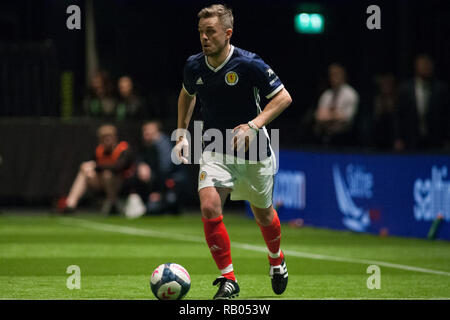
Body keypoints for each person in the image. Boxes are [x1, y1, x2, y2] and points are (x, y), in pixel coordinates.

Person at [173, 4, 292, 299]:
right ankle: (228, 278)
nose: (204, 37)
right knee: (210, 206)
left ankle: (276, 259)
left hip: (253, 148)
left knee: (263, 215)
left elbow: (283, 98)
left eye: (210, 31)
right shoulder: (194, 66)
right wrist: (181, 134)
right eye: (201, 32)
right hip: (214, 145)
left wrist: (253, 124)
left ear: (227, 33)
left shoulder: (250, 64)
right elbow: (187, 95)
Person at [60, 124, 134, 215]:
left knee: (108, 175)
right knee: (86, 170)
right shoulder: (99, 151)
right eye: (104, 138)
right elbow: (95, 166)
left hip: (121, 183)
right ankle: (70, 204)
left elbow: (119, 167)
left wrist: (96, 166)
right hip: (102, 184)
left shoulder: (123, 149)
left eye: (109, 137)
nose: (107, 140)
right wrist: (90, 166)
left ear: (115, 137)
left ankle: (113, 205)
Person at [125, 120, 188, 217]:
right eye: (145, 132)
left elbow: (165, 170)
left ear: (158, 133)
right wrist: (141, 165)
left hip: (172, 186)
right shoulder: (147, 146)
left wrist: (159, 193)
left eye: (149, 133)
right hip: (158, 185)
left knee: (156, 208)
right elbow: (139, 160)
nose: (146, 135)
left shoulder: (163, 145)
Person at [394, 54, 450, 151]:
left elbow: (446, 116)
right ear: (416, 67)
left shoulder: (441, 89)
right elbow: (399, 116)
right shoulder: (405, 89)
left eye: (428, 65)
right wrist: (398, 138)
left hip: (435, 139)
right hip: (411, 138)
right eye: (423, 64)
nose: (426, 67)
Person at [314, 63, 359, 146]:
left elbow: (347, 118)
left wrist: (328, 116)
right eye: (331, 75)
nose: (334, 78)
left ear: (343, 75)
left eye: (337, 74)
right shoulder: (326, 95)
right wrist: (336, 116)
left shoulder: (350, 94)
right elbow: (319, 117)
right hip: (325, 136)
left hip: (345, 138)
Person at [372, 73, 397, 150]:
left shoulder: (397, 100)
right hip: (378, 137)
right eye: (384, 85)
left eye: (388, 85)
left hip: (393, 136)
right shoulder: (377, 100)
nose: (386, 87)